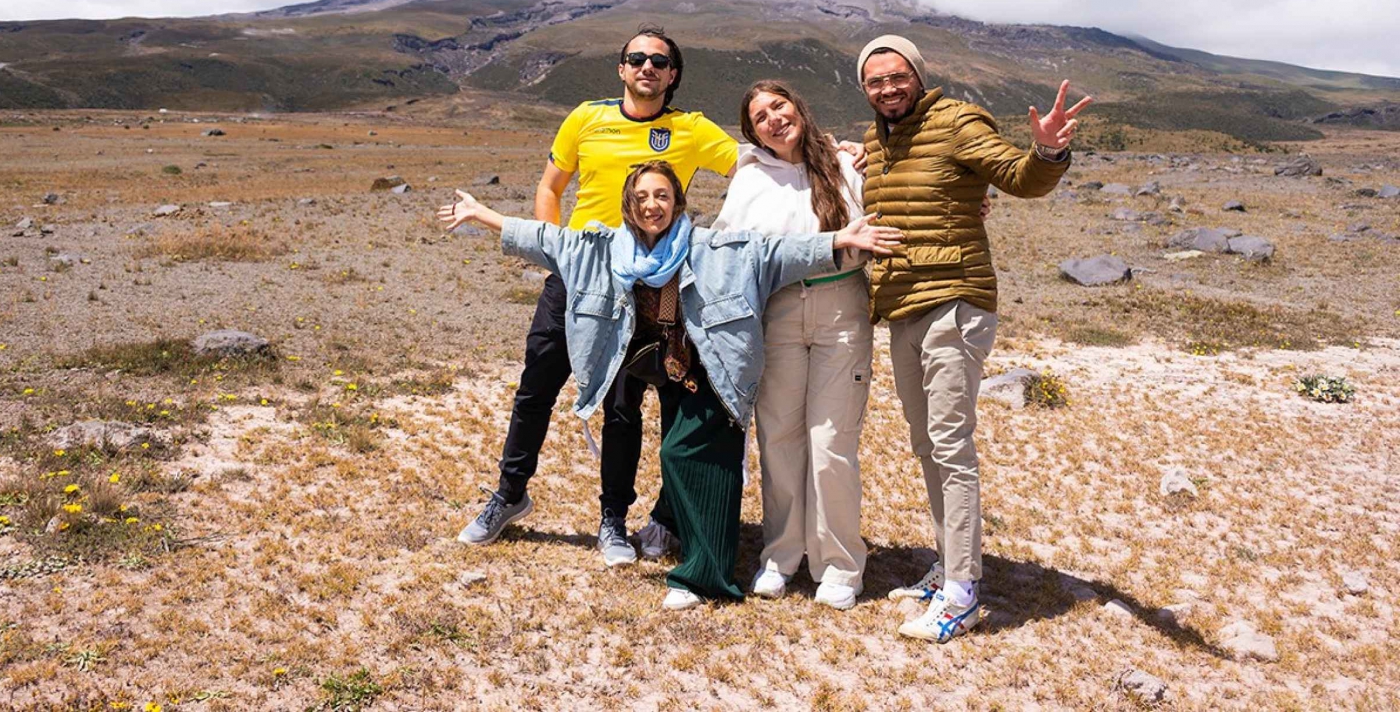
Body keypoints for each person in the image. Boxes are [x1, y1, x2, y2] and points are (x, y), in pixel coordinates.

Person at [439, 161, 904, 609]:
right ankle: (702, 556)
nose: (652, 205)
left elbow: (773, 252)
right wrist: (482, 214)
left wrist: (839, 240)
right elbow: (546, 239)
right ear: (628, 204)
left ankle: (704, 576)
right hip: (663, 367)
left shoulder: (710, 248)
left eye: (662, 195)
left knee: (682, 453)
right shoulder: (605, 251)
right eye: (641, 197)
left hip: (711, 371)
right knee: (681, 455)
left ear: (678, 202)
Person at [454, 26, 739, 568]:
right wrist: (555, 255)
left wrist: (831, 152)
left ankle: (613, 520)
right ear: (621, 68)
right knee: (536, 388)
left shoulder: (691, 129)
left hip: (643, 288)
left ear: (673, 75)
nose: (647, 66)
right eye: (637, 58)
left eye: (659, 61)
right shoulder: (586, 117)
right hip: (577, 275)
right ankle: (509, 495)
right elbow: (550, 187)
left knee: (622, 406)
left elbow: (754, 166)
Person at [856, 34, 1089, 643]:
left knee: (950, 446)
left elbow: (1018, 177)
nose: (888, 88)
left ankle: (961, 595)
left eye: (898, 76)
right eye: (875, 80)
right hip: (903, 306)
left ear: (918, 75)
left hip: (954, 304)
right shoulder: (878, 143)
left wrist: (1047, 150)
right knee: (927, 444)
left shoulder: (956, 121)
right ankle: (950, 563)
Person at [712, 81, 872, 611]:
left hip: (841, 309)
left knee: (831, 442)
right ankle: (780, 555)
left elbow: (897, 204)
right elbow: (731, 247)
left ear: (798, 106)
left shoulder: (846, 165)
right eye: (760, 117)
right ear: (752, 133)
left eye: (779, 106)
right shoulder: (750, 179)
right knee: (778, 438)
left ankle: (839, 565)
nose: (773, 119)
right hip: (777, 313)